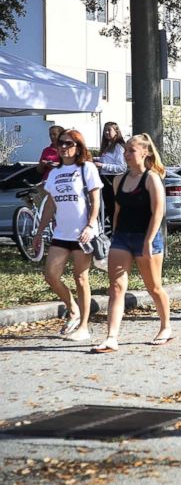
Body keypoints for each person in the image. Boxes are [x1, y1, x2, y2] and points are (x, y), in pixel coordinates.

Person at [93, 134, 172, 353]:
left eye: (131, 150)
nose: (126, 154)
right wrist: (113, 237)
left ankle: (165, 326)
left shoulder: (151, 178)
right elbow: (117, 211)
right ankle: (111, 337)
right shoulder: (119, 179)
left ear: (144, 153)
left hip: (146, 238)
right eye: (125, 150)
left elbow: (158, 212)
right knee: (116, 287)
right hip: (122, 238)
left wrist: (148, 240)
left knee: (153, 287)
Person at [32, 129, 101, 342]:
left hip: (82, 234)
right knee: (51, 275)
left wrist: (90, 225)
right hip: (61, 233)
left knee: (80, 278)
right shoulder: (54, 173)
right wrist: (39, 231)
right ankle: (73, 308)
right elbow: (51, 204)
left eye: (68, 143)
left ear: (78, 146)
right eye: (61, 143)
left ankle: (83, 326)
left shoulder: (86, 168)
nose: (63, 147)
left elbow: (95, 199)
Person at [93, 122, 127, 225]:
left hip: (113, 180)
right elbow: (107, 159)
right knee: (109, 207)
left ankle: (116, 230)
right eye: (105, 130)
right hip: (105, 179)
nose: (106, 133)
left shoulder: (119, 146)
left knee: (114, 208)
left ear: (116, 131)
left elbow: (122, 167)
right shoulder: (109, 145)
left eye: (109, 130)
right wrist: (93, 159)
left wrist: (102, 166)